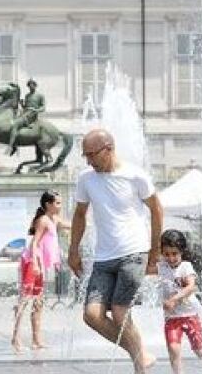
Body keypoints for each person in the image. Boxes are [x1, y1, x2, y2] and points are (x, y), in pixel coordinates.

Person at [68, 128, 163, 373]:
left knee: (120, 312)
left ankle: (139, 366)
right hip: (103, 257)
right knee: (91, 315)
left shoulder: (135, 176)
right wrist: (73, 251)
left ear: (108, 149)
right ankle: (140, 354)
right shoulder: (86, 179)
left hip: (134, 252)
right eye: (85, 155)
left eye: (91, 154)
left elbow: (157, 210)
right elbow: (79, 215)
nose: (88, 160)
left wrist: (155, 252)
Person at [11, 190, 71, 353]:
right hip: (31, 262)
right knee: (24, 300)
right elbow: (34, 243)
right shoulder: (43, 220)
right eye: (57, 203)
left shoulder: (54, 219)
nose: (60, 206)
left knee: (38, 302)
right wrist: (36, 264)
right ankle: (15, 338)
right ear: (48, 204)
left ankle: (37, 340)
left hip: (39, 265)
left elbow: (72, 225)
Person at [157, 230, 202, 374]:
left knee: (199, 350)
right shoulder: (161, 267)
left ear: (181, 251)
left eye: (174, 254)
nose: (171, 258)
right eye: (167, 254)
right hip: (172, 318)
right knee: (173, 349)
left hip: (190, 315)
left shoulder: (186, 267)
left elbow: (191, 287)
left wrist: (173, 299)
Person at [9, 78, 47, 153]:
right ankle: (15, 143)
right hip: (25, 113)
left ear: (35, 86)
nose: (30, 87)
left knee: (15, 124)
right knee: (11, 123)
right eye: (29, 85)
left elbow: (43, 107)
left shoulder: (40, 95)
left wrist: (36, 110)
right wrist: (22, 104)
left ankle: (11, 146)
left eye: (32, 85)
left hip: (32, 115)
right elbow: (25, 107)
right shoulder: (27, 96)